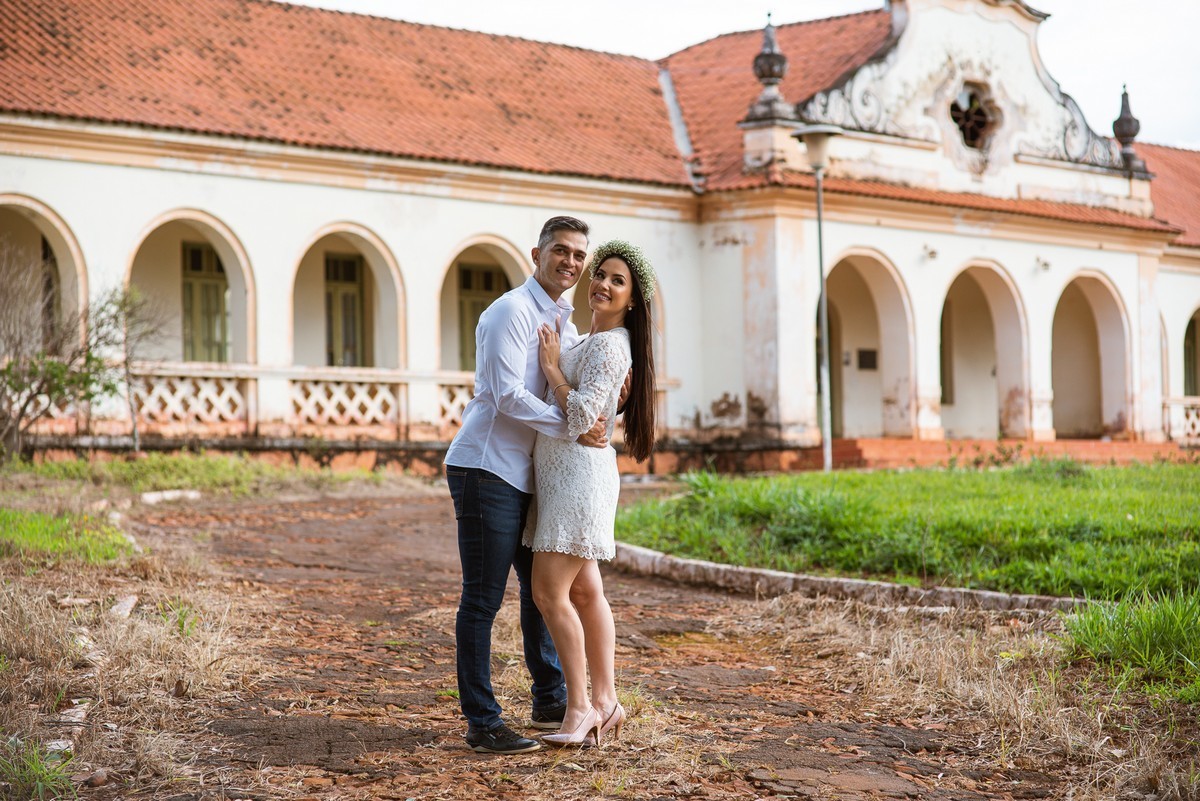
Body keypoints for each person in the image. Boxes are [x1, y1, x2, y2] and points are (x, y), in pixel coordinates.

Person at [444, 216, 610, 755]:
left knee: (544, 592)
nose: (571, 262)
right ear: (536, 254)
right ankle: (483, 722)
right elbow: (506, 394)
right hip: (487, 467)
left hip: (532, 475)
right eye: (560, 250)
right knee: (482, 599)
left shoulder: (566, 322)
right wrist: (573, 426)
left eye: (579, 255)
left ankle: (550, 698)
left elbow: (576, 389)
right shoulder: (509, 312)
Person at [524, 240, 657, 748]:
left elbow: (582, 417)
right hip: (568, 478)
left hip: (578, 482)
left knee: (548, 593)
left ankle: (579, 708)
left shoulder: (609, 345)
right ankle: (608, 702)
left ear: (632, 300)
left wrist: (553, 369)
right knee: (585, 593)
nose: (602, 284)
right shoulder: (589, 339)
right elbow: (594, 407)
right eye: (600, 273)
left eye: (617, 281)